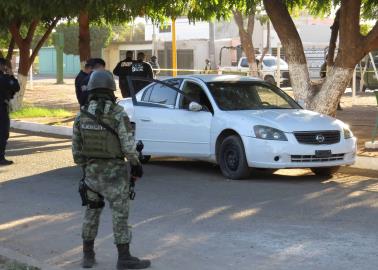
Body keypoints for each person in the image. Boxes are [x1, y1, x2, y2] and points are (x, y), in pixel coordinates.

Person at [72, 70, 150, 269]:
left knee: (91, 213)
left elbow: (76, 152)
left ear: (90, 90)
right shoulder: (117, 113)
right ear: (111, 90)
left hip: (91, 174)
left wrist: (88, 167)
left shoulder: (82, 115)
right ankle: (124, 258)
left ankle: (87, 256)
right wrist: (136, 165)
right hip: (115, 174)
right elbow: (128, 145)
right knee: (120, 214)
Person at [0, 58, 20, 166]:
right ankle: (1, 158)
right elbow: (16, 87)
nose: (5, 68)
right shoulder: (4, 78)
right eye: (4, 66)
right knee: (3, 133)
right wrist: (11, 75)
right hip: (2, 109)